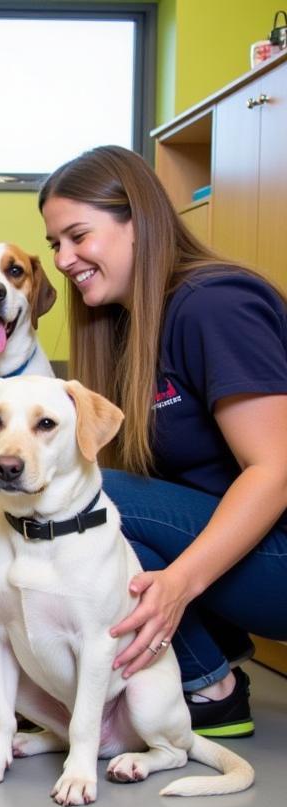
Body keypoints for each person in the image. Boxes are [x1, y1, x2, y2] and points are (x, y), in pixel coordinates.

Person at [38, 144, 287, 737]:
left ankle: (207, 686)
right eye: (55, 245)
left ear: (137, 221)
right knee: (87, 499)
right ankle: (208, 672)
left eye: (78, 236)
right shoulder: (125, 327)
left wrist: (179, 584)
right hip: (243, 561)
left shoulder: (215, 304)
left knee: (95, 498)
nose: (64, 259)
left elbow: (276, 468)